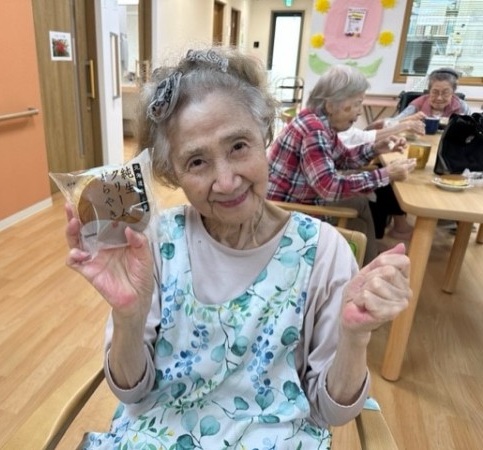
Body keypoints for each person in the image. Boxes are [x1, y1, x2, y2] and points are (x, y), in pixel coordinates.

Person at [66, 47, 411, 450]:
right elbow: (132, 391)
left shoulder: (323, 251)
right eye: (196, 162)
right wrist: (128, 316)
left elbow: (330, 412)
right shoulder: (154, 243)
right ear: (172, 172)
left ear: (265, 134)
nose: (227, 181)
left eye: (238, 146)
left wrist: (354, 337)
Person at [267, 65, 416, 263]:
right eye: (356, 104)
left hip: (300, 198)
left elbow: (344, 158)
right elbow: (329, 188)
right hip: (286, 211)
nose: (359, 112)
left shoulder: (317, 122)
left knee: (360, 204)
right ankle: (367, 261)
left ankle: (366, 256)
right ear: (330, 106)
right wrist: (386, 174)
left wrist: (376, 148)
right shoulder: (314, 130)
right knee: (359, 208)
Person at [396, 67, 471, 119]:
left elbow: (472, 129)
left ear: (453, 92)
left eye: (445, 93)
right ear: (429, 91)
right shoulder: (418, 104)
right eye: (435, 92)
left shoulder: (462, 106)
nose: (439, 98)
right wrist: (409, 120)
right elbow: (394, 123)